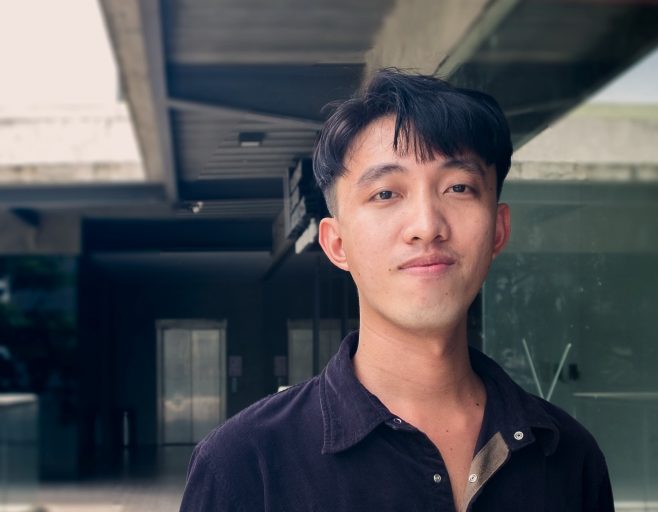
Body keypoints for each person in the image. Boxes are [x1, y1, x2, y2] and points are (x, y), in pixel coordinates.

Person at [180, 68, 614, 512]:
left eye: (458, 187)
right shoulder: (244, 465)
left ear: (498, 230)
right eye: (386, 194)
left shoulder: (569, 457)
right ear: (336, 243)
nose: (427, 226)